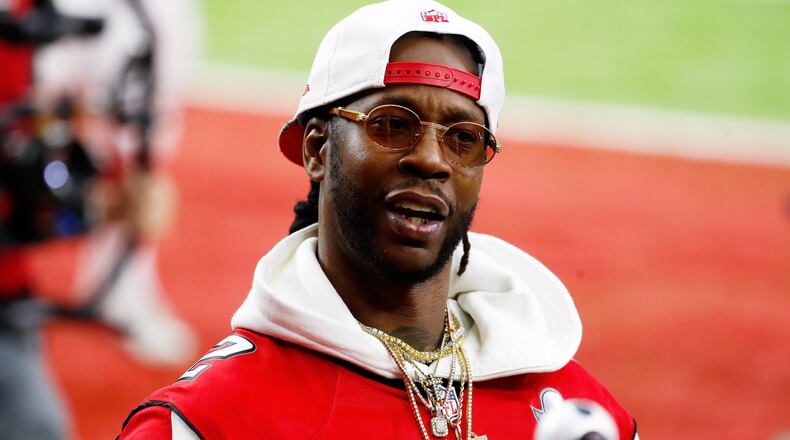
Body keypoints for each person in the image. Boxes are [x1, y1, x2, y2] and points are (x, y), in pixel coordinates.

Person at [119, 1, 639, 439]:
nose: (433, 160)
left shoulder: (572, 408)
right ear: (318, 148)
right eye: (392, 124)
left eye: (463, 138)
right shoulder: (211, 422)